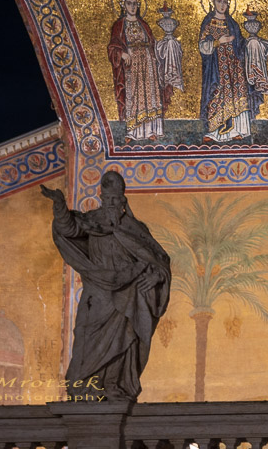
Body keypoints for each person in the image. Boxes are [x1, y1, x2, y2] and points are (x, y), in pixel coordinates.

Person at [40, 172, 171, 402]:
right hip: (98, 294)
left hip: (128, 294)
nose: (111, 203)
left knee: (125, 339)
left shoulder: (134, 227)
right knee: (86, 336)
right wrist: (60, 205)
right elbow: (68, 229)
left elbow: (158, 258)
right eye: (107, 198)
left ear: (122, 201)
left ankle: (113, 384)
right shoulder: (92, 221)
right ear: (101, 198)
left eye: (115, 199)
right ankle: (86, 386)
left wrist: (157, 276)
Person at [108, 0, 167, 143]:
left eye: (135, 4)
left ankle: (151, 131)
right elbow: (112, 46)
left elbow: (152, 42)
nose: (132, 7)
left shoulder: (143, 24)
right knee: (133, 95)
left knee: (150, 95)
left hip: (147, 62)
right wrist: (122, 53)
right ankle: (133, 131)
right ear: (124, 6)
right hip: (131, 64)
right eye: (129, 3)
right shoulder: (119, 25)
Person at [198, 0, 249, 142]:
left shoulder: (232, 23)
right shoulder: (208, 22)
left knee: (234, 94)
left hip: (233, 65)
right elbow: (202, 46)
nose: (222, 5)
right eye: (219, 1)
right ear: (213, 3)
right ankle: (214, 131)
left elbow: (241, 43)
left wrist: (247, 43)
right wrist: (217, 42)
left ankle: (236, 130)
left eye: (225, 2)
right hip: (216, 66)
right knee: (216, 94)